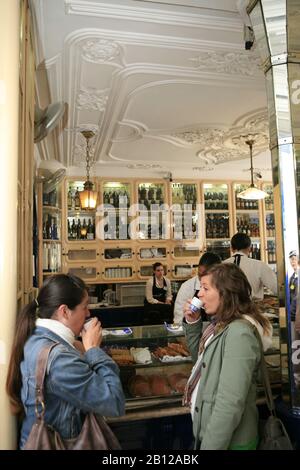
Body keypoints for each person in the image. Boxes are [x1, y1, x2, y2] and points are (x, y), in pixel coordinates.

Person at [6, 274, 125, 449]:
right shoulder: (60, 359)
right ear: (64, 311)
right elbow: (114, 403)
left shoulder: (36, 336)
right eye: (84, 307)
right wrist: (93, 350)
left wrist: (76, 346)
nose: (88, 313)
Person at [183, 263, 272, 450]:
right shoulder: (220, 325)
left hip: (230, 443)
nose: (199, 294)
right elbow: (201, 362)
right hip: (211, 436)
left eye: (206, 288)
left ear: (225, 293)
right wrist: (193, 323)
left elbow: (230, 403)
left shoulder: (239, 333)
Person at [224, 232, 277, 300]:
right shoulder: (259, 265)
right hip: (253, 307)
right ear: (249, 248)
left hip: (228, 308)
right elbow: (276, 288)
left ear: (231, 248)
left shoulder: (222, 265)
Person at [173, 252, 221, 325]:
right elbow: (178, 319)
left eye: (206, 289)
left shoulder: (224, 288)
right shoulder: (187, 287)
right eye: (199, 274)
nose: (200, 294)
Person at [289, 250, 299, 324]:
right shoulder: (292, 277)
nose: (292, 262)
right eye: (291, 259)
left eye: (294, 259)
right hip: (293, 314)